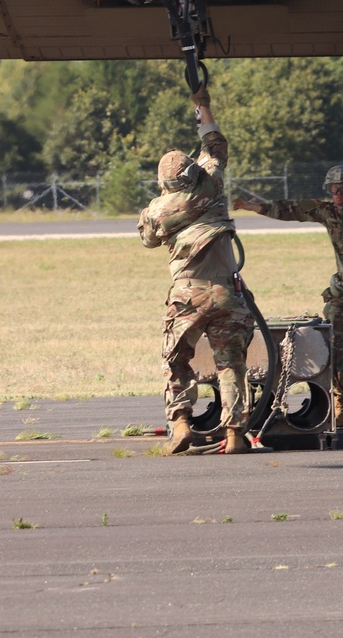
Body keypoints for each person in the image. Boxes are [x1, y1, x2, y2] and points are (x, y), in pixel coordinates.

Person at [138, 89, 254, 455]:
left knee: (176, 360)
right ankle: (235, 434)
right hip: (226, 291)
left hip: (187, 294)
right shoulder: (211, 182)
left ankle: (181, 423)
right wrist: (201, 105)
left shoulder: (158, 210)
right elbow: (216, 145)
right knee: (230, 364)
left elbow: (148, 241)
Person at [235, 163, 343, 430]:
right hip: (341, 292)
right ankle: (339, 408)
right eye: (333, 189)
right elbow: (291, 209)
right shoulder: (327, 211)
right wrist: (254, 207)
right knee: (334, 351)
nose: (338, 195)